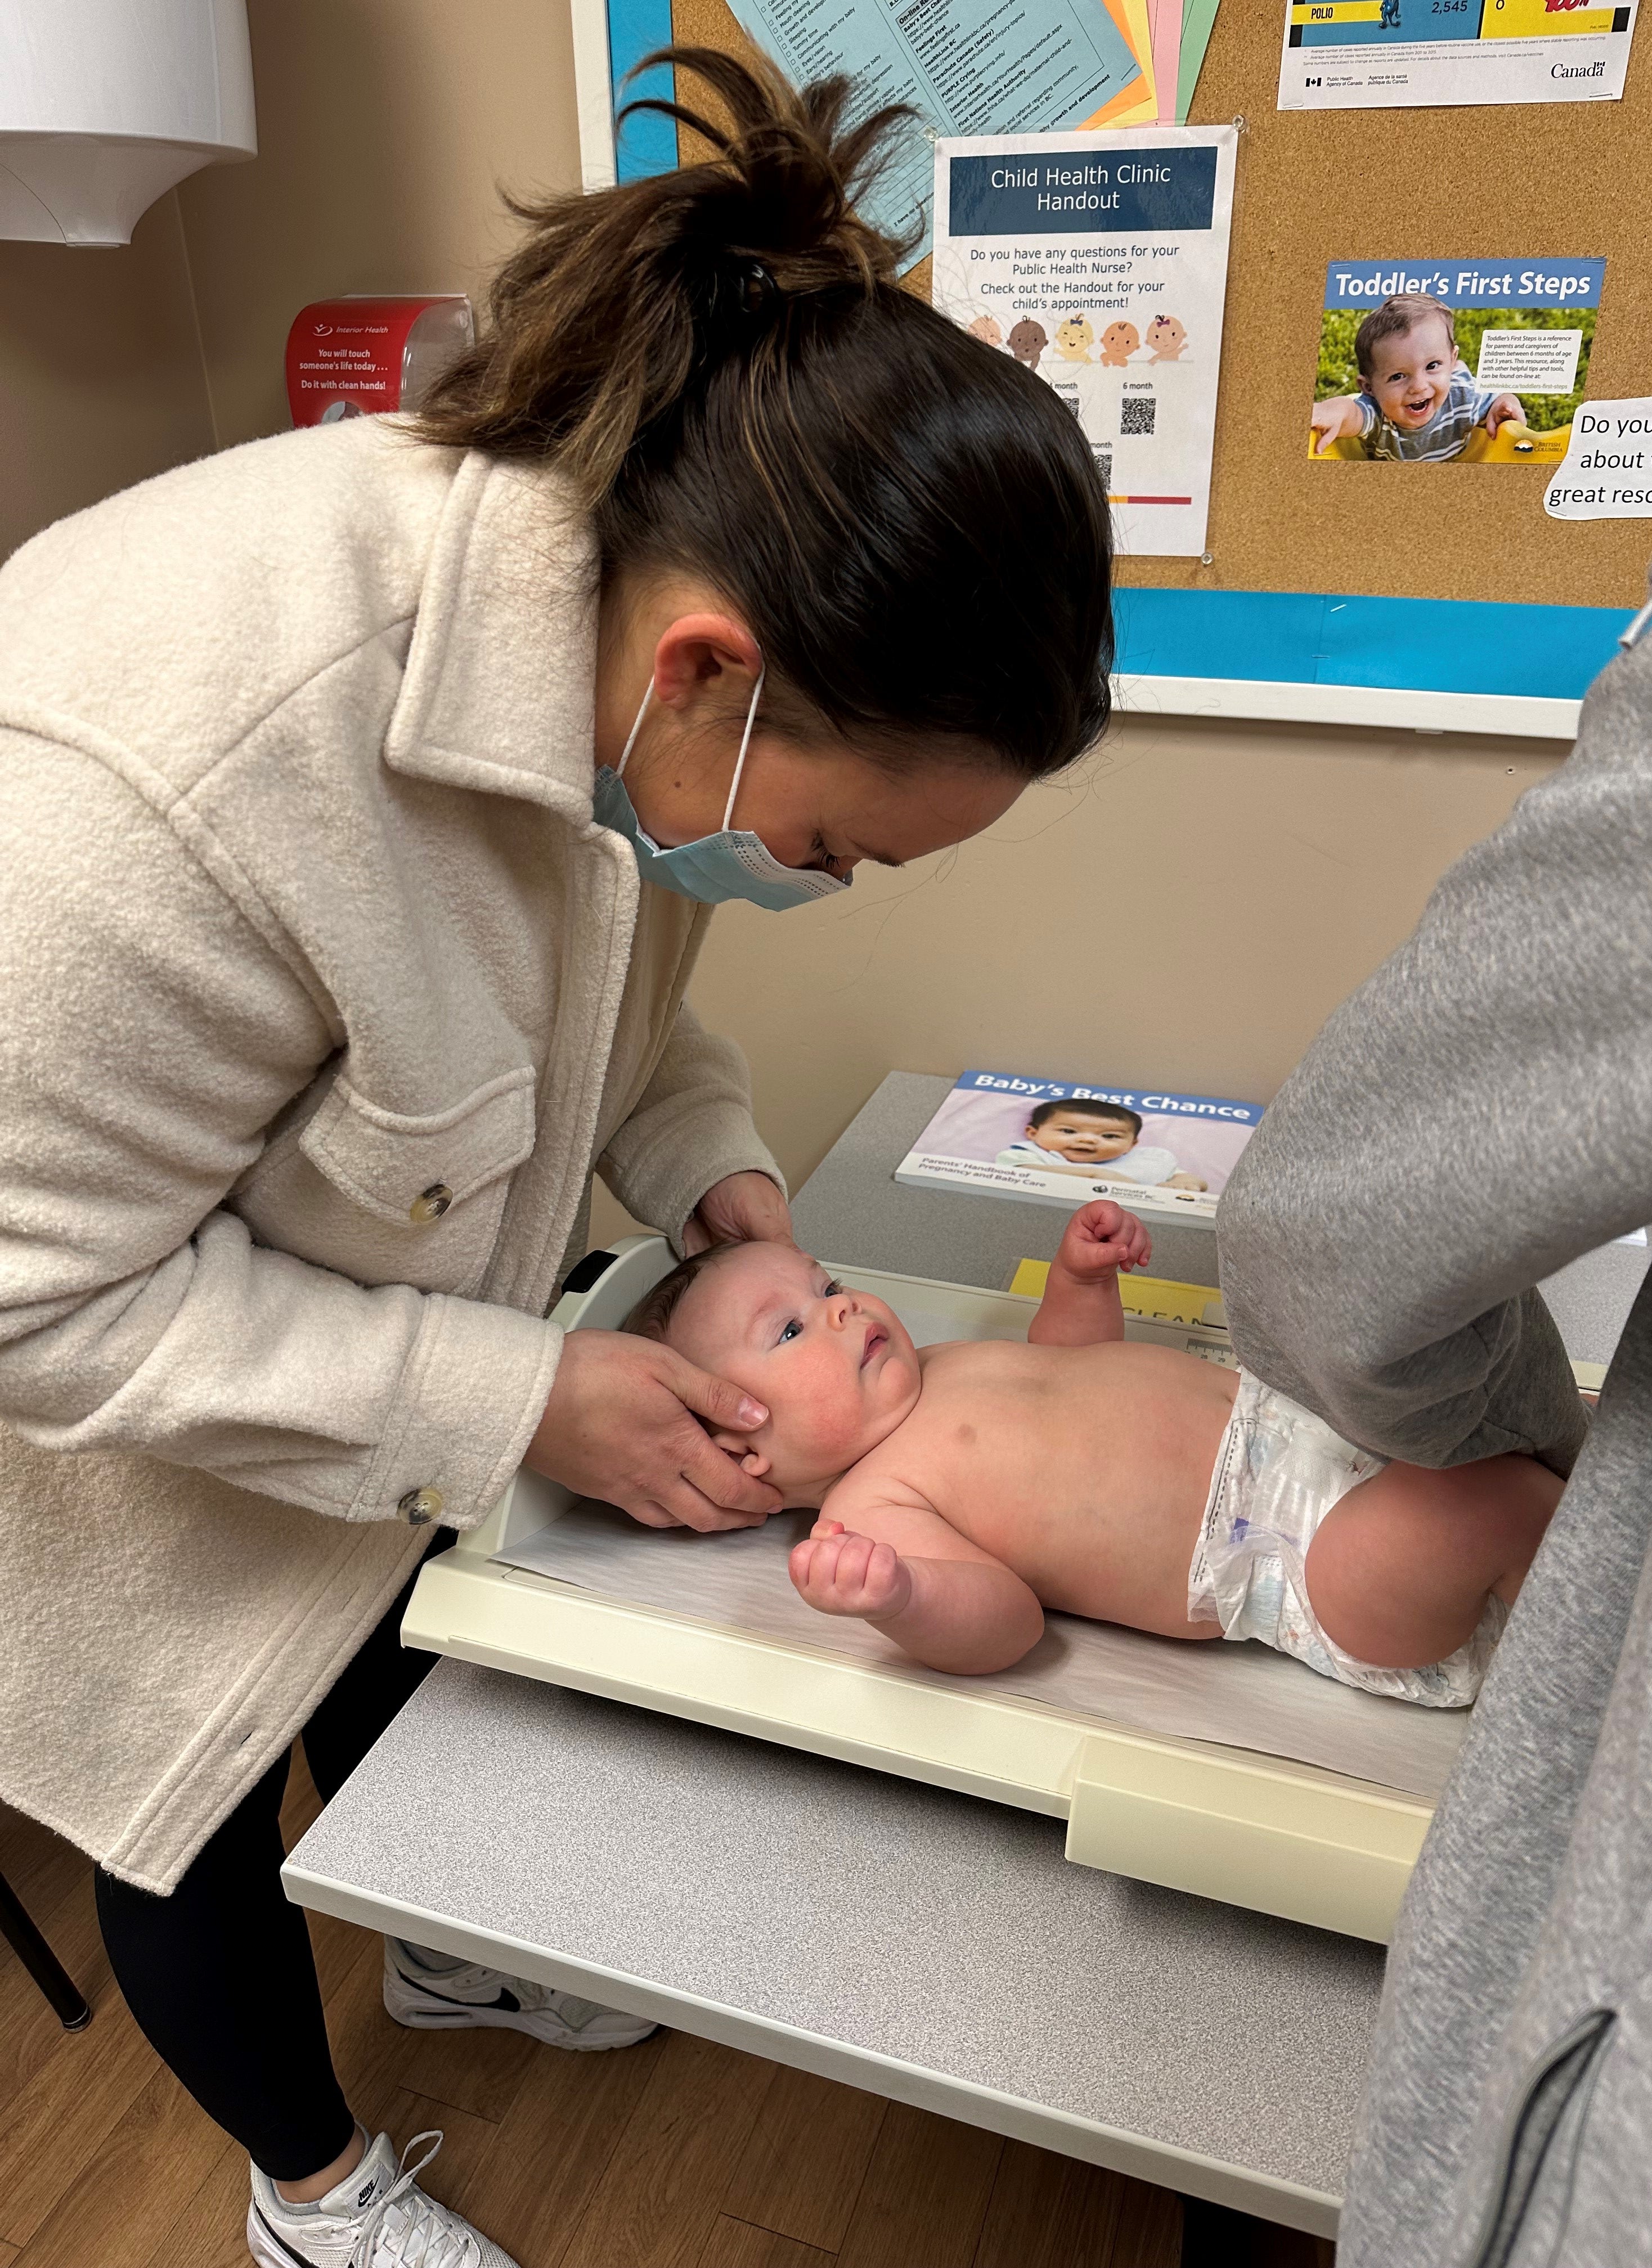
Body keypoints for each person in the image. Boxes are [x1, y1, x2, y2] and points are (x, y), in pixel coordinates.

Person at [0, 49, 1112, 2268]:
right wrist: (518, 1396)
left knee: (393, 1646)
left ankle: (434, 1946)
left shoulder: (623, 673)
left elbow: (612, 1006)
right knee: (198, 1782)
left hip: (354, 1323)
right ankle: (306, 2196)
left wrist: (716, 1176)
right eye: (833, 848)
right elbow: (35, 1299)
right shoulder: (174, 771)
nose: (822, 885)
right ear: (716, 673)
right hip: (94, 1373)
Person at [1215, 531, 1652, 2264]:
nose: (833, 1313)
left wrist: (1093, 1294)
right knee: (1448, 1532)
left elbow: (1322, 1245)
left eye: (811, 1297)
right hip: (1281, 1556)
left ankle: (1524, 1515)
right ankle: (1521, 1519)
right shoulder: (898, 1480)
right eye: (791, 1335)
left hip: (1311, 1481)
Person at [621, 1203, 1559, 1701]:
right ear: (745, 1456)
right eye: (786, 1332)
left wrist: (1077, 1280)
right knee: (1497, 1501)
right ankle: (1608, 1652)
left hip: (1317, 1430)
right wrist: (901, 1599)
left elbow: (1070, 1371)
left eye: (824, 1283)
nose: (838, 1307)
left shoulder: (939, 1363)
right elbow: (1004, 1625)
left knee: (1477, 1388)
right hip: (1300, 1554)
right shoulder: (870, 1510)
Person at [1311, 292, 1524, 462]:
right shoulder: (1378, 414)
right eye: (1398, 376)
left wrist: (1506, 403)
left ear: (1450, 358)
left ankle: (1458, 369)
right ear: (1369, 388)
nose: (1419, 387)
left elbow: (1498, 401)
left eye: (1432, 366)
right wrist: (1333, 409)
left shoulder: (1464, 398)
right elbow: (1352, 413)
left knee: (1462, 382)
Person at [996, 1096, 1206, 1189]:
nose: (1088, 1139)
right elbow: (1022, 1173)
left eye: (1110, 1136)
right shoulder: (1027, 1154)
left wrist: (1187, 1184)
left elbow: (1189, 1178)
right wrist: (1095, 1174)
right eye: (1068, 1131)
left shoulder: (1147, 1159)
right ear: (1033, 1133)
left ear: (1132, 1145)